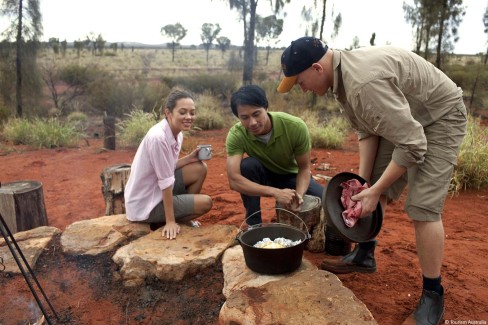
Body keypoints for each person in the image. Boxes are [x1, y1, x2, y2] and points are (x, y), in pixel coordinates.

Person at [277, 37, 467, 325]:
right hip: (406, 119)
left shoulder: (362, 83)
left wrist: (376, 190)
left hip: (439, 117)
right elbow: (367, 132)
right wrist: (364, 183)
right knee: (371, 186)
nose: (302, 89)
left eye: (299, 81)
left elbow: (414, 144)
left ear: (316, 68)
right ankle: (365, 255)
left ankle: (433, 294)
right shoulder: (340, 80)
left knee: (422, 208)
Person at [225, 84, 324, 226]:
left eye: (256, 114)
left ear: (266, 107)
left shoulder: (294, 126)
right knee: (248, 166)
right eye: (244, 117)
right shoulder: (237, 134)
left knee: (325, 199)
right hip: (263, 175)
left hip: (291, 175)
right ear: (238, 117)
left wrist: (299, 196)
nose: (252, 123)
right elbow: (234, 180)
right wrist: (275, 192)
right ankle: (254, 225)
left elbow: (304, 168)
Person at [124, 89, 212, 240]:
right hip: (146, 204)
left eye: (192, 112)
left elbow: (167, 167)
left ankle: (183, 217)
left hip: (155, 190)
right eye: (183, 112)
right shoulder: (158, 138)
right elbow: (165, 182)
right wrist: (170, 221)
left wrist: (190, 158)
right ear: (168, 113)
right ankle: (173, 219)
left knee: (199, 168)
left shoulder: (176, 133)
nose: (189, 117)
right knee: (206, 202)